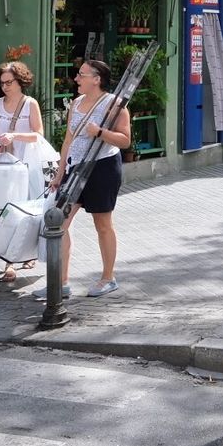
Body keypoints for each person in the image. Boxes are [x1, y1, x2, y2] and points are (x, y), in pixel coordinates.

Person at [38, 59, 130, 300]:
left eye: (81, 75)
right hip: (74, 169)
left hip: (102, 168)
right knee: (59, 222)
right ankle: (61, 281)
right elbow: (68, 141)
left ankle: (108, 277)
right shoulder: (76, 103)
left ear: (96, 79)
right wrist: (59, 174)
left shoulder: (115, 104)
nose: (76, 79)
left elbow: (125, 140)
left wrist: (99, 132)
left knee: (102, 224)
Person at [0, 61, 48, 283]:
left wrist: (14, 136)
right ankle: (10, 262)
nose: (5, 87)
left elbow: (38, 134)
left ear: (20, 81)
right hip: (5, 165)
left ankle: (22, 256)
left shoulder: (30, 104)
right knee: (8, 212)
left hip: (27, 164)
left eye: (9, 82)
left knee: (27, 210)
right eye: (2, 83)